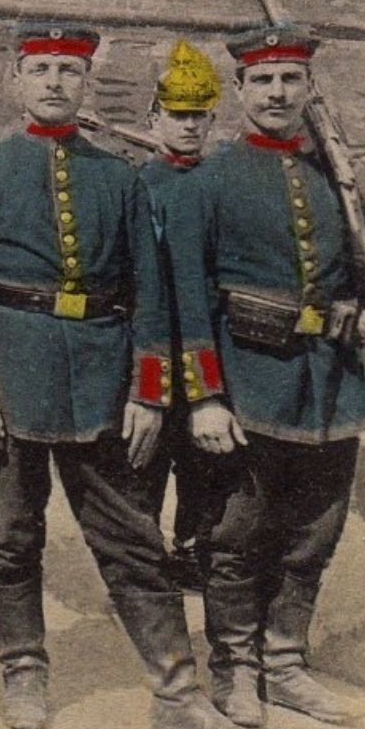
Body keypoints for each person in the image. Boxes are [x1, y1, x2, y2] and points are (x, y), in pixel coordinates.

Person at [0, 21, 256, 729]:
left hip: (104, 389)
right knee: (9, 537)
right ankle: (23, 669)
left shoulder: (118, 178)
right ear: (14, 79)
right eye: (39, 69)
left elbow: (150, 293)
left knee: (132, 543)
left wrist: (147, 393)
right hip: (8, 384)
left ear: (86, 84)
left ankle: (177, 694)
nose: (52, 83)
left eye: (67, 73)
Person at [165, 22, 365, 729]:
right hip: (248, 386)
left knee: (313, 533)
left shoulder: (333, 177)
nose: (278, 93)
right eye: (263, 81)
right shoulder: (208, 182)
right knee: (236, 534)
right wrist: (205, 397)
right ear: (239, 90)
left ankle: (284, 663)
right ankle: (235, 670)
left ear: (308, 89)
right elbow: (186, 298)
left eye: (290, 80)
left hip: (330, 384)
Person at [136, 40, 223, 592]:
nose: (189, 126)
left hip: (210, 342)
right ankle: (143, 563)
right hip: (150, 341)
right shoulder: (137, 185)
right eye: (177, 114)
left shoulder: (220, 183)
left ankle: (195, 548)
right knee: (143, 462)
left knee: (207, 464)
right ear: (154, 116)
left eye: (199, 116)